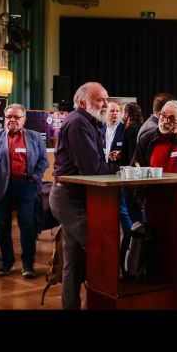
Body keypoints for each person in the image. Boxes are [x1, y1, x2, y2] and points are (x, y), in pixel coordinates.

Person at [50, 82, 122, 309]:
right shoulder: (78, 123)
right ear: (83, 102)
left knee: (73, 263)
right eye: (100, 99)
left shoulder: (88, 122)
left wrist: (108, 165)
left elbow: (95, 164)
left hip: (74, 198)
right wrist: (119, 168)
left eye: (106, 99)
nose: (105, 104)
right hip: (70, 200)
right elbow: (92, 169)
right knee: (103, 251)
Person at [133, 100, 177, 307]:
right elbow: (135, 168)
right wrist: (142, 198)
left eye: (171, 117)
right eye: (163, 115)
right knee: (154, 252)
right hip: (154, 207)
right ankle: (156, 295)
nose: (165, 119)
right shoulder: (147, 138)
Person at [0, 104, 49, 278]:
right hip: (1, 186)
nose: (12, 120)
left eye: (17, 117)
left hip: (26, 185)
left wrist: (35, 177)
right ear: (4, 118)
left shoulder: (35, 137)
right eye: (9, 116)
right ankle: (7, 263)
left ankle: (27, 265)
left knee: (27, 225)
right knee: (2, 226)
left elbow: (43, 160)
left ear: (24, 119)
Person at [119, 103, 144, 235]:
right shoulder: (142, 128)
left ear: (127, 114)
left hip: (130, 177)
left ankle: (134, 243)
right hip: (141, 174)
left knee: (133, 214)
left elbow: (131, 155)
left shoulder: (130, 130)